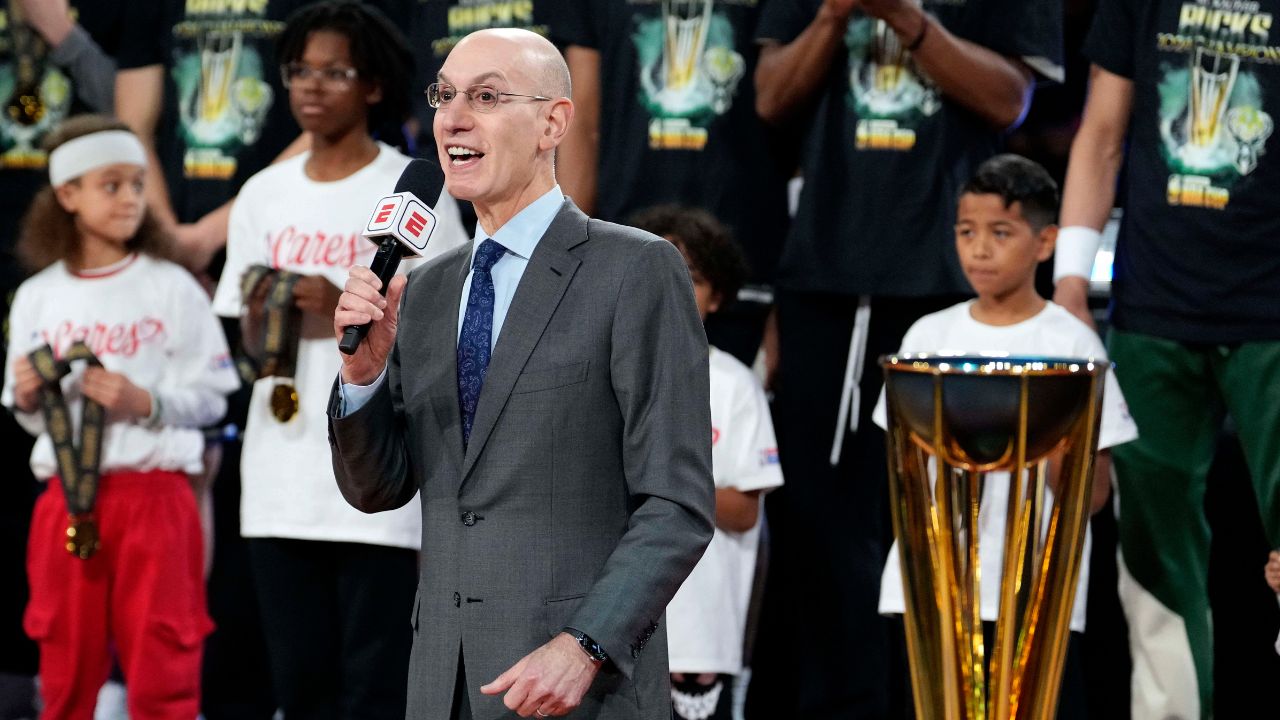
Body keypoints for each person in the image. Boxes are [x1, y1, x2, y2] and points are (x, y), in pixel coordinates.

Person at [329, 27, 715, 720]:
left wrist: (585, 644)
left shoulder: (635, 270)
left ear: (552, 122)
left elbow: (676, 504)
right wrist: (362, 376)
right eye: (445, 95)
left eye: (485, 96)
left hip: (579, 686)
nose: (453, 116)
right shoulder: (425, 291)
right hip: (442, 683)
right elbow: (377, 488)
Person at [747, 1, 1063, 715]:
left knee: (939, 523)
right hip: (825, 278)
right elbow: (770, 96)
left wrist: (906, 19)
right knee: (821, 526)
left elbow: (1009, 99)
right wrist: (832, 17)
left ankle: (936, 700)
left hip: (943, 282)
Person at [209, 4, 466, 718]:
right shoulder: (263, 191)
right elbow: (240, 326)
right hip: (278, 473)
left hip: (376, 482)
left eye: (334, 72)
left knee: (374, 684)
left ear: (375, 86)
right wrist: (279, 304)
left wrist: (347, 304)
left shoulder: (411, 191)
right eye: (299, 71)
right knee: (298, 685)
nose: (311, 87)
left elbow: (446, 322)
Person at [1051, 1, 1280, 716]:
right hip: (1153, 310)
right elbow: (1103, 132)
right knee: (1152, 561)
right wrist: (1069, 283)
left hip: (1272, 310)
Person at [871, 154, 1138, 718]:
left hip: (1036, 592)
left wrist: (1046, 437)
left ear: (1045, 244)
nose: (980, 249)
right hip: (934, 584)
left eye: (1000, 232)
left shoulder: (1074, 345)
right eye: (967, 232)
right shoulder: (929, 335)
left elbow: (1093, 495)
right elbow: (903, 470)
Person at [0, 114, 240, 720]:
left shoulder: (172, 286)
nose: (132, 198)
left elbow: (215, 396)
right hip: (68, 497)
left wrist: (148, 403)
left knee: (165, 659)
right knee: (65, 665)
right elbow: (26, 415)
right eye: (112, 185)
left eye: (137, 183)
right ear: (67, 195)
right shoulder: (38, 294)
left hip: (156, 497)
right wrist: (27, 397)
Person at [554, 0, 790, 366]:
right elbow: (580, 119)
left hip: (742, 250)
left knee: (730, 409)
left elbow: (785, 100)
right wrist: (566, 257)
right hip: (623, 240)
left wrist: (783, 295)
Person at [630, 206, 784, 720]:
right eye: (658, 268)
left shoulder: (735, 384)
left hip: (699, 633)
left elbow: (744, 510)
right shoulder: (597, 371)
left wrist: (657, 480)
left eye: (690, 276)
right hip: (607, 625)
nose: (673, 285)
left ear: (717, 295)